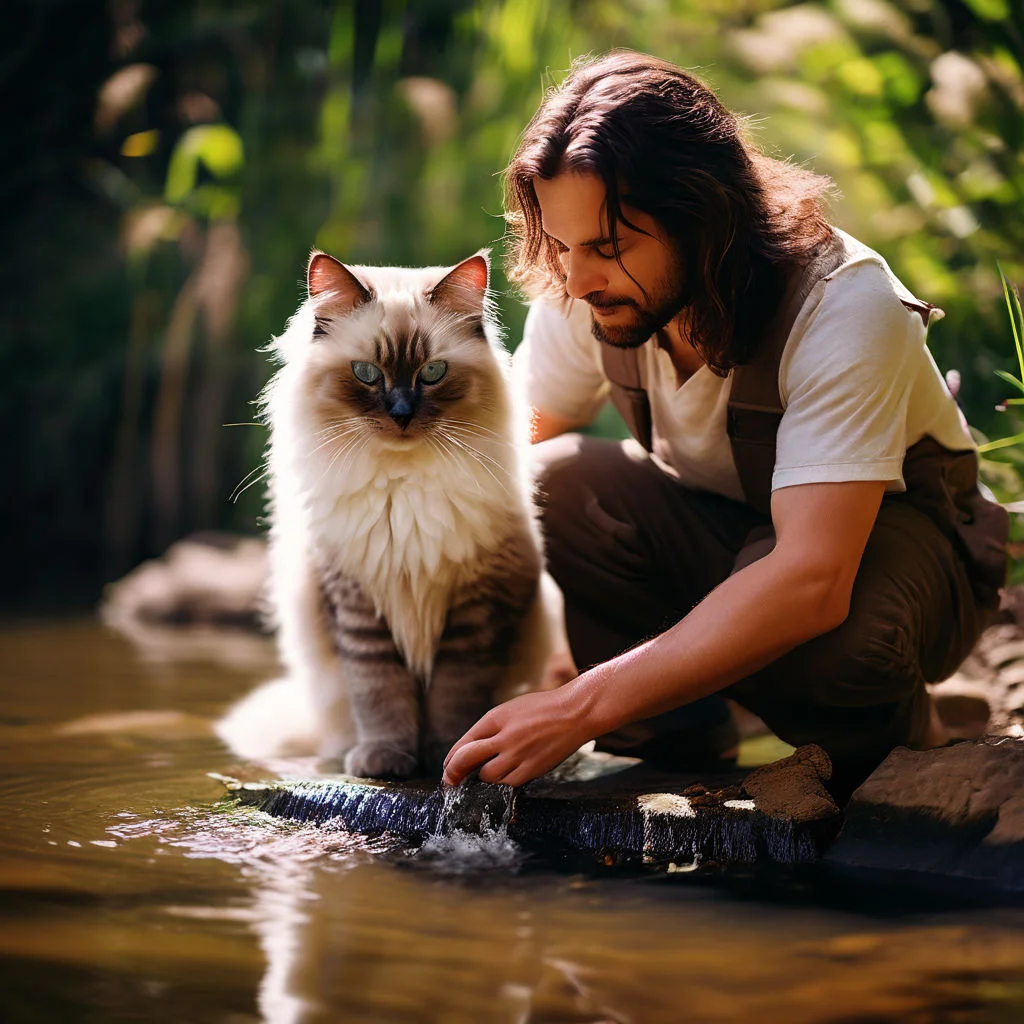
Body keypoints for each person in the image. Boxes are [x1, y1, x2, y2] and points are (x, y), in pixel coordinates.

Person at [442, 50, 1007, 795]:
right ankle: (679, 739)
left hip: (891, 558)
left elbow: (811, 579)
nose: (578, 281)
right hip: (739, 539)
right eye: (563, 246)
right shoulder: (586, 288)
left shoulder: (846, 304)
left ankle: (904, 740)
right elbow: (506, 461)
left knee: (835, 638)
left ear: (704, 219)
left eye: (609, 247)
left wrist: (577, 705)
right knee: (549, 488)